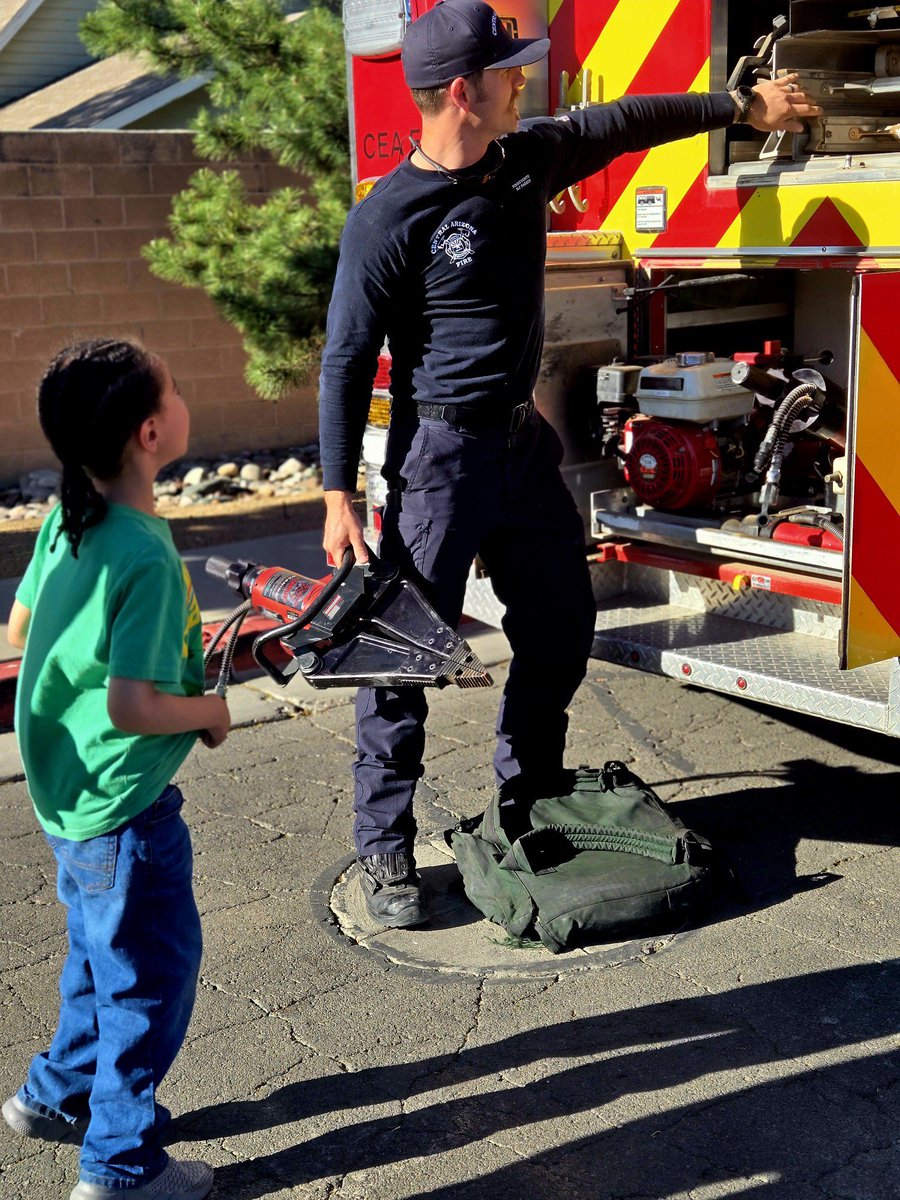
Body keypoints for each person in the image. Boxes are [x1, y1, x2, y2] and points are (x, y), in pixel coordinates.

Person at [318, 0, 820, 929]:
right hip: (440, 458)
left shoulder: (528, 158)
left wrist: (739, 107)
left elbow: (629, 121)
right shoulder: (387, 220)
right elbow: (346, 360)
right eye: (510, 71)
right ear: (462, 91)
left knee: (560, 620)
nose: (526, 80)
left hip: (519, 445)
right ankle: (385, 846)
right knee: (402, 654)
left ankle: (531, 789)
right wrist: (337, 491)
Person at [2, 338, 230, 1200]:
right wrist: (208, 710)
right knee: (149, 984)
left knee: (99, 959)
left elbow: (23, 629)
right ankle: (120, 1167)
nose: (181, 397)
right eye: (173, 388)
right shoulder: (144, 554)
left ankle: (53, 1096)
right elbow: (132, 707)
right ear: (150, 432)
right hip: (123, 811)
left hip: (67, 798)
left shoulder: (69, 520)